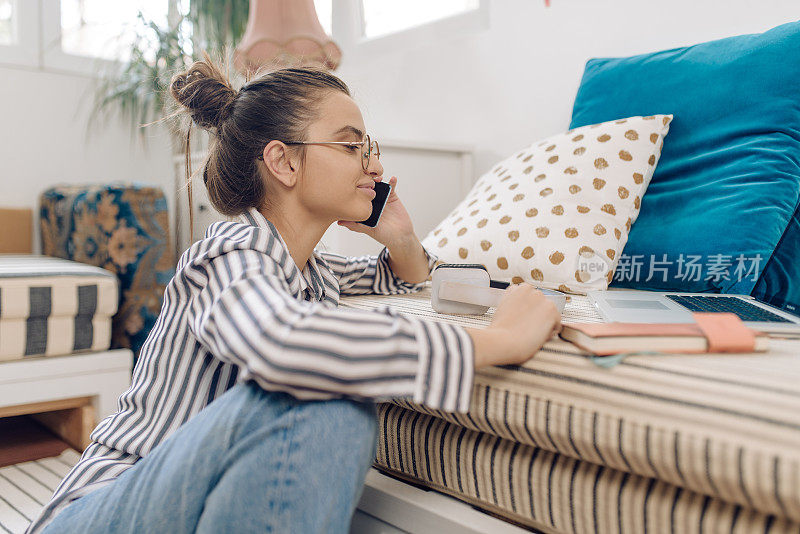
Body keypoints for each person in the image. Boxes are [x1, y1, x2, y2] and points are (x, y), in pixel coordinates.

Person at [28, 53, 562, 534]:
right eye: (352, 145)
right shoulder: (230, 252)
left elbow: (399, 278)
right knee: (325, 393)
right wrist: (498, 342)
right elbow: (282, 344)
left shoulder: (312, 271)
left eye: (368, 147)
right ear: (283, 162)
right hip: (96, 512)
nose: (373, 165)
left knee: (331, 386)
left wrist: (399, 236)